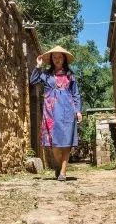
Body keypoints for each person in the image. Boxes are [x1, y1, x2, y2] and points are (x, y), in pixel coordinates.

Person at [29, 45, 83, 181]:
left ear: (64, 59)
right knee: (54, 144)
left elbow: (76, 94)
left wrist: (78, 111)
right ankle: (58, 166)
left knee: (66, 143)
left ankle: (63, 172)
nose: (57, 59)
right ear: (51, 59)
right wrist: (38, 66)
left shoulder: (70, 75)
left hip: (68, 111)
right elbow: (33, 81)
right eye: (54, 57)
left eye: (60, 57)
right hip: (51, 112)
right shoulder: (46, 75)